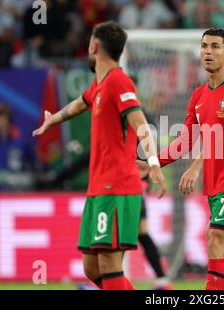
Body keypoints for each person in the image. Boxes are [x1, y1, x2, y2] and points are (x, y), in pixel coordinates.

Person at [139, 28, 224, 290]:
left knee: (215, 238)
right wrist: (153, 162)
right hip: (216, 182)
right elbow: (186, 140)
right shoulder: (199, 95)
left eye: (215, 47)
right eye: (204, 46)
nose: (208, 52)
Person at [33, 21, 166, 290]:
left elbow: (141, 125)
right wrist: (52, 121)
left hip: (116, 187)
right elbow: (77, 105)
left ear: (94, 46)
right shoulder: (100, 84)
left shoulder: (119, 81)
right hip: (98, 189)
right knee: (91, 268)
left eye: (89, 42)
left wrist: (154, 164)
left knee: (109, 264)